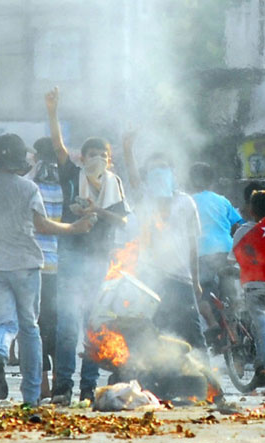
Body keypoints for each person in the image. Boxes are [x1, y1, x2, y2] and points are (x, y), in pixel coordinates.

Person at [0, 133, 94, 405]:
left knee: (6, 323)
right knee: (29, 328)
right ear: (19, 160)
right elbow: (42, 226)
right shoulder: (28, 188)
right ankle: (30, 397)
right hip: (27, 267)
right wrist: (73, 228)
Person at [45, 87, 129, 405]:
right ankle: (63, 387)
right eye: (92, 154)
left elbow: (121, 221)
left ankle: (88, 387)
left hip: (99, 259)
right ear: (82, 158)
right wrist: (53, 112)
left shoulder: (114, 184)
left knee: (94, 325)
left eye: (102, 155)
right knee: (67, 323)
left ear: (109, 160)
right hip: (70, 254)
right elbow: (57, 145)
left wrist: (98, 211)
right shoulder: (71, 174)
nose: (97, 159)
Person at [123, 143, 207, 360]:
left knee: (193, 334)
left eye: (163, 168)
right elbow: (133, 178)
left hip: (182, 279)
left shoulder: (186, 202)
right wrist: (127, 146)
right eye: (153, 169)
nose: (158, 173)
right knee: (153, 334)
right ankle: (158, 383)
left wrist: (196, 280)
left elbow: (193, 245)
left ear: (172, 172)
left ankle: (211, 388)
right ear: (147, 176)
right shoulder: (145, 200)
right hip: (150, 279)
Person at [229, 190, 265, 396]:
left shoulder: (243, 231)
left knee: (262, 329)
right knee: (261, 329)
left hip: (254, 287)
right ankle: (259, 370)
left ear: (251, 210)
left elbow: (232, 259)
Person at [189, 162, 244, 340]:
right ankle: (234, 333)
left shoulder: (189, 201)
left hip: (201, 253)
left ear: (191, 180)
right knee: (230, 294)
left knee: (203, 292)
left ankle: (212, 323)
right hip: (226, 252)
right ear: (211, 181)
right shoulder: (222, 200)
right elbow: (238, 225)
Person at [29, 137, 64, 399]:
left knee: (37, 326)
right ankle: (58, 382)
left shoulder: (30, 183)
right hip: (61, 265)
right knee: (57, 325)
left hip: (34, 264)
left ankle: (42, 386)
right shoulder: (67, 183)